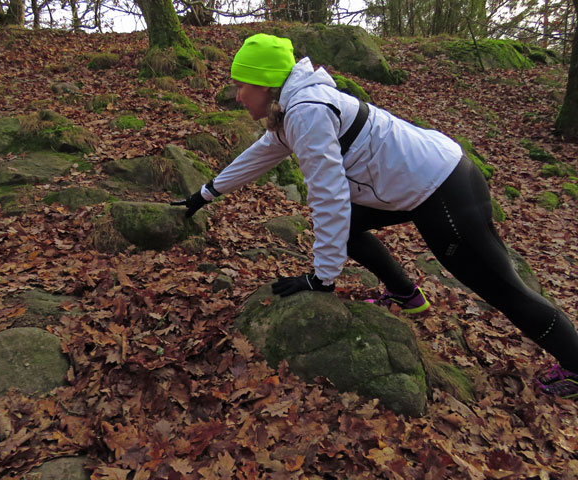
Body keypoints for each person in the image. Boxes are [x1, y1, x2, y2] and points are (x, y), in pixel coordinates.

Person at [171, 33, 578, 399]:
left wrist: (322, 278)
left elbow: (328, 196)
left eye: (242, 85)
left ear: (266, 83)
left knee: (501, 287)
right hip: (425, 178)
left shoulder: (306, 111)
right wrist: (203, 195)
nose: (237, 95)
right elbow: (260, 155)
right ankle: (406, 295)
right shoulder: (290, 110)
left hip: (442, 188)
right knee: (347, 228)